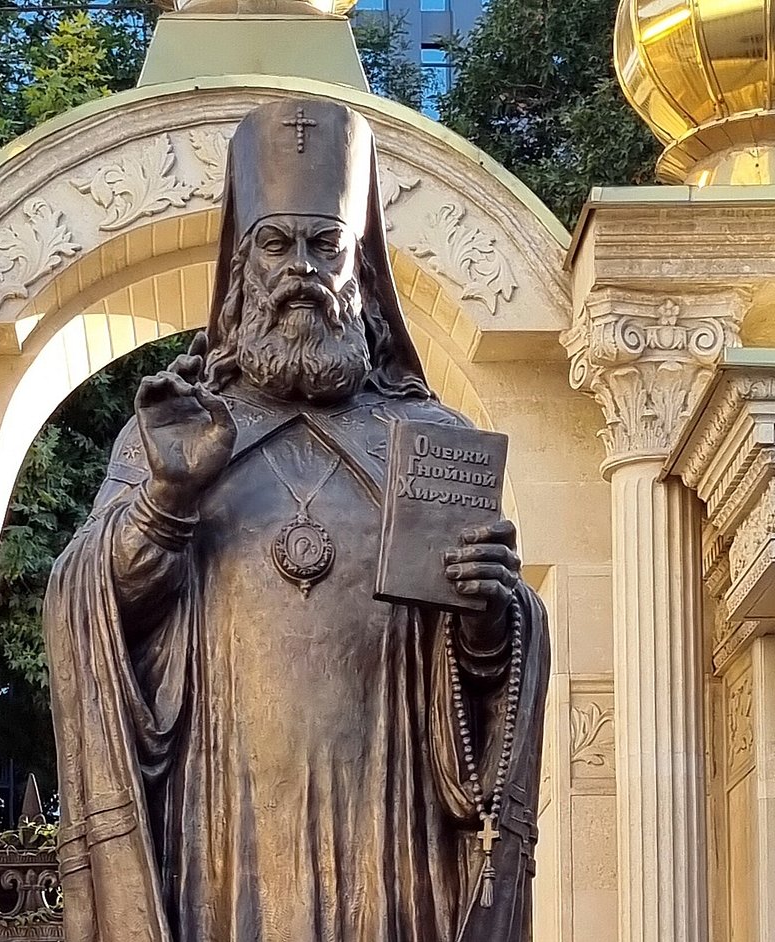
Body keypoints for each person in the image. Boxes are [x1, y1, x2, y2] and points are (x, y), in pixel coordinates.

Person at [43, 98, 549, 942]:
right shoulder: (175, 429)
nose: (301, 269)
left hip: (393, 830)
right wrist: (167, 502)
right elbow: (87, 600)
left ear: (362, 273)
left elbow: (480, 681)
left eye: (327, 245)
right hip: (221, 820)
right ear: (242, 270)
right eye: (276, 244)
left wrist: (494, 617)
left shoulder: (428, 441)